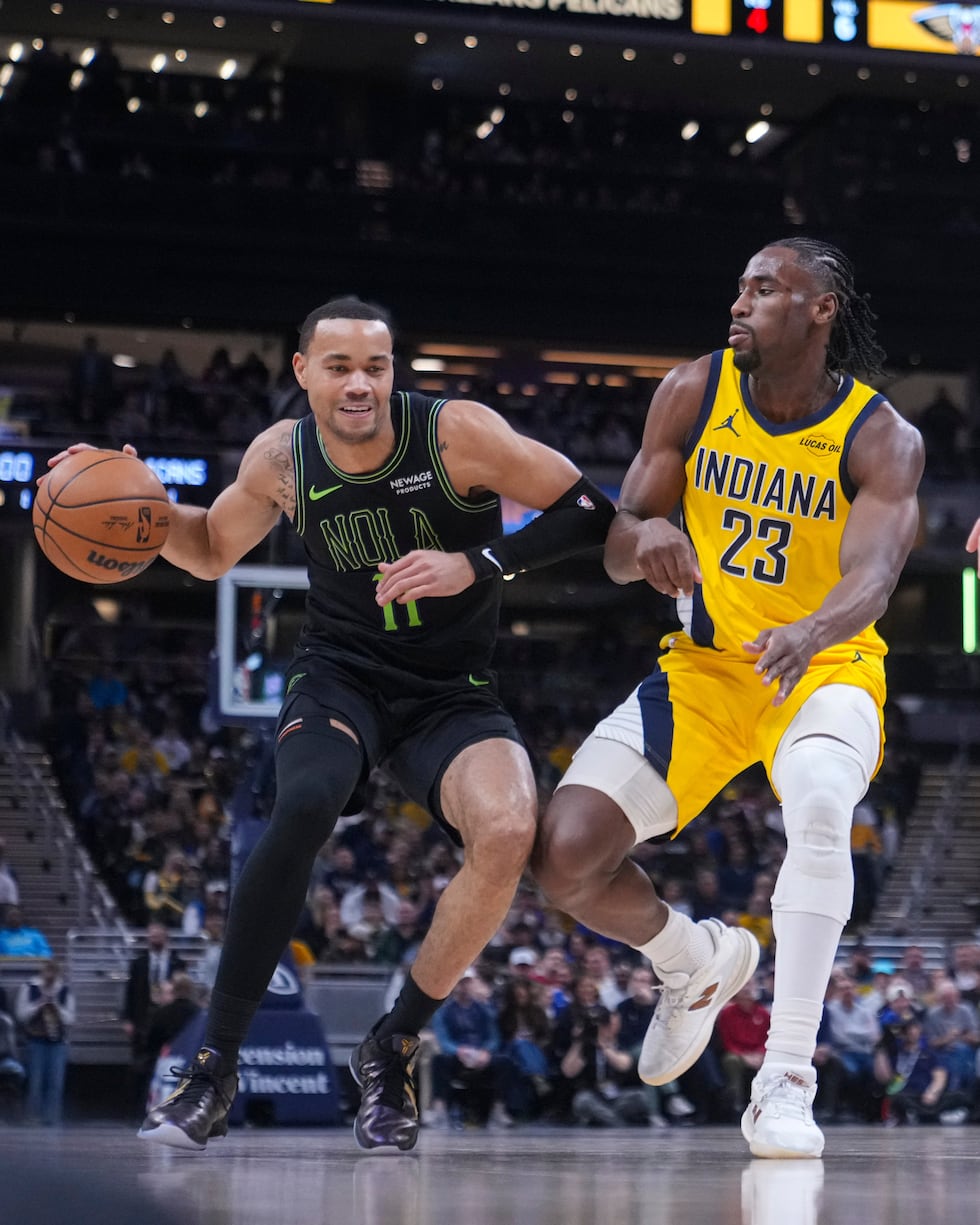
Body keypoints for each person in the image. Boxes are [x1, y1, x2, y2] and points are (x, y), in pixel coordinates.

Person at [50, 295, 614, 1152]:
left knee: (508, 828)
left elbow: (587, 509)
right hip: (341, 675)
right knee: (305, 802)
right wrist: (149, 508)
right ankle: (214, 1069)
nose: (360, 383)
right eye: (340, 365)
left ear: (396, 372)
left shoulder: (456, 434)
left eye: (376, 367)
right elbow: (207, 551)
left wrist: (475, 561)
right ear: (304, 371)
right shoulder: (282, 455)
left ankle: (391, 1047)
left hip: (450, 688)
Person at [532, 237, 924, 1159]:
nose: (738, 303)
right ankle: (694, 963)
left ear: (820, 308)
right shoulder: (693, 392)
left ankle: (787, 1076)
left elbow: (874, 574)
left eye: (763, 288)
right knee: (562, 859)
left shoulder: (879, 436)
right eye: (739, 288)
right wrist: (649, 540)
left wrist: (811, 632)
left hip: (823, 668)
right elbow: (621, 538)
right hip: (705, 669)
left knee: (823, 808)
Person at [15, 959, 76, 1126]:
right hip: (36, 1041)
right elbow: (21, 1015)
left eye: (53, 973)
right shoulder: (29, 987)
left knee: (55, 1084)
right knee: (36, 1082)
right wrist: (39, 1003)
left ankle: (52, 1119)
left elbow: (70, 1018)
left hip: (58, 1042)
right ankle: (33, 1118)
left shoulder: (64, 990)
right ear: (42, 973)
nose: (49, 976)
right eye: (46, 972)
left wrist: (55, 1004)